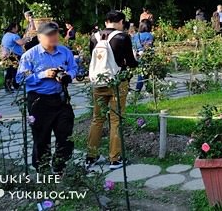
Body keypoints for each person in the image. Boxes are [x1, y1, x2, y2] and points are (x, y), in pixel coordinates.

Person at [16, 22, 77, 173]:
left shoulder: (64, 52)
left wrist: (68, 75)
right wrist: (44, 74)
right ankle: (42, 169)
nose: (54, 37)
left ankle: (59, 166)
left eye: (55, 33)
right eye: (49, 34)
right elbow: (20, 78)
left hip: (61, 99)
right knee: (41, 138)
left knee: (66, 135)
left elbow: (74, 67)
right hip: (39, 101)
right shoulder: (30, 55)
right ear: (39, 37)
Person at [86, 10, 138, 171]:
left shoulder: (94, 37)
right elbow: (130, 61)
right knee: (115, 120)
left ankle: (91, 156)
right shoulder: (122, 37)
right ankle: (114, 158)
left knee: (97, 119)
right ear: (121, 21)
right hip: (117, 82)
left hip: (98, 83)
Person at [0, 22, 25, 93]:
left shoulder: (6, 35)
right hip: (14, 56)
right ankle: (15, 85)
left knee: (9, 71)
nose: (18, 29)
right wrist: (27, 39)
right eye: (17, 27)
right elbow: (21, 43)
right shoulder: (14, 36)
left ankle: (8, 86)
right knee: (15, 71)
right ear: (13, 28)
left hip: (7, 55)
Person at [132, 20, 154, 92]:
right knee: (142, 75)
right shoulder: (149, 35)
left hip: (137, 57)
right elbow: (148, 46)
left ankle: (149, 89)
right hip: (146, 56)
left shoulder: (135, 35)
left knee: (144, 73)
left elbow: (133, 46)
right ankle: (137, 91)